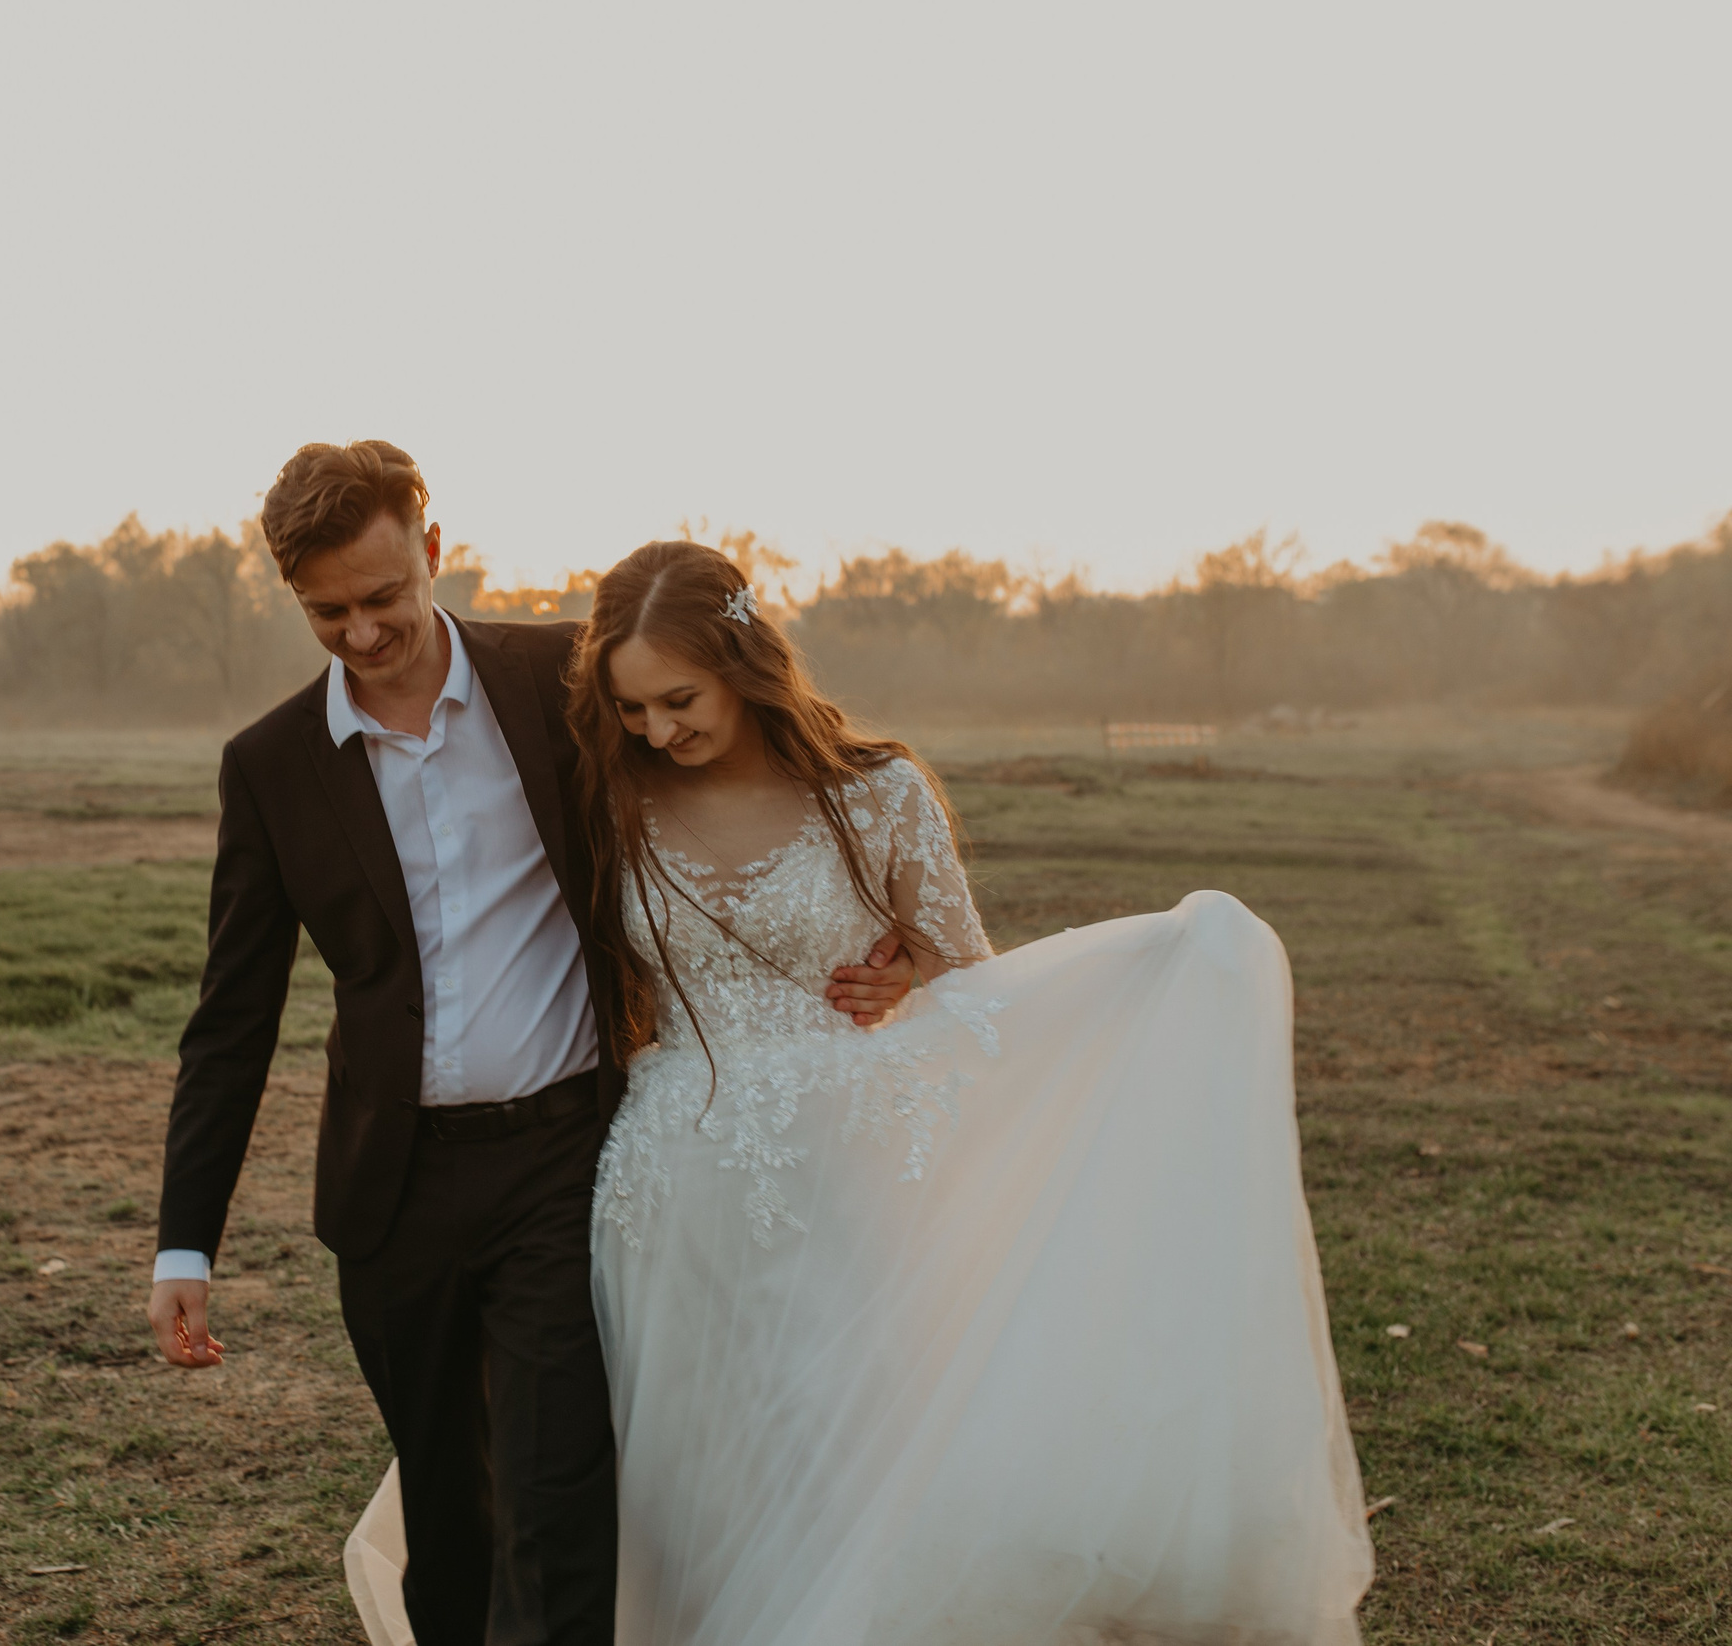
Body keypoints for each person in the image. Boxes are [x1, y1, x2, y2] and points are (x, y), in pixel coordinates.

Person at [351, 539, 1374, 1644]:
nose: (657, 729)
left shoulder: (876, 795)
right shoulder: (605, 798)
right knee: (684, 1469)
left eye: (678, 699)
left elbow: (973, 983)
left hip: (847, 1180)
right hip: (667, 1192)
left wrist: (916, 979)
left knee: (845, 1447)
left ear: (743, 661)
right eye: (632, 706)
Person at [146, 448, 909, 1646]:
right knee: (450, 1523)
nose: (360, 632)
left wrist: (883, 930)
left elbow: (736, 757)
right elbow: (231, 1018)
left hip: (562, 1161)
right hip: (390, 1196)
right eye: (326, 612)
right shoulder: (271, 765)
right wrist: (184, 1241)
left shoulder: (559, 677)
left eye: (382, 597)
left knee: (559, 1504)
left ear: (432, 551)